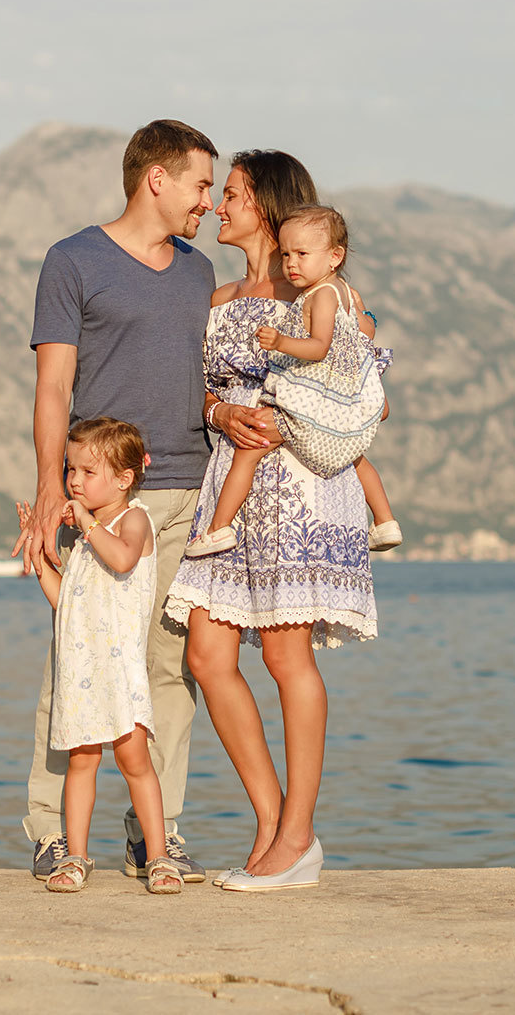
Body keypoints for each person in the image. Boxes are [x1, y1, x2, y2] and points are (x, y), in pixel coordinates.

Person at [164, 152, 385, 893]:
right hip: (228, 477)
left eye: (229, 194)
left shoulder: (320, 296)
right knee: (207, 653)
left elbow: (371, 397)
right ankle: (273, 823)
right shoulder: (219, 292)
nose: (219, 206)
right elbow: (198, 394)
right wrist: (222, 410)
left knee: (287, 659)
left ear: (263, 201)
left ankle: (297, 835)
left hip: (295, 482)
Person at [12, 119, 219, 885]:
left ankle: (155, 834)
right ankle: (50, 832)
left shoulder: (199, 273)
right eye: (201, 184)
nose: (209, 202)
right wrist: (48, 493)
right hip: (93, 502)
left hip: (186, 497)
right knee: (75, 656)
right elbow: (54, 386)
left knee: (170, 669)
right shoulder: (73, 261)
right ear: (155, 179)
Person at [21, 418, 183, 894]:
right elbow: (65, 601)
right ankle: (75, 855)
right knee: (81, 764)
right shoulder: (86, 542)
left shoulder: (130, 521)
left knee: (136, 763)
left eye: (87, 472)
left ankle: (157, 856)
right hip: (81, 674)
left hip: (120, 673)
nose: (73, 481)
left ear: (124, 478)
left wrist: (87, 523)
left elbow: (124, 559)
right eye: (71, 469)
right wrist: (41, 556)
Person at [184, 203, 399, 558]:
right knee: (358, 458)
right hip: (335, 410)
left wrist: (281, 342)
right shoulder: (345, 294)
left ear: (334, 256)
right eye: (286, 255)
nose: (291, 263)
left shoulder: (322, 295)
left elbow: (319, 346)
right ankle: (385, 519)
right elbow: (360, 341)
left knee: (248, 455)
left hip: (303, 410)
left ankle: (219, 527)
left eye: (300, 254)